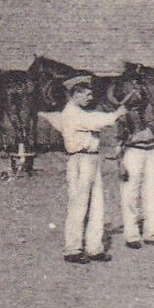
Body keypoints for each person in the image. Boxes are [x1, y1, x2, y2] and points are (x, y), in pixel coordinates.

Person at [53, 76, 127, 264]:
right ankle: (73, 249)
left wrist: (115, 114)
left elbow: (94, 117)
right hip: (79, 159)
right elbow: (95, 122)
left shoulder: (80, 111)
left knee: (96, 205)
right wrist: (117, 113)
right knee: (79, 206)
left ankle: (94, 248)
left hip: (92, 158)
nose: (90, 97)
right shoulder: (71, 113)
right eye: (86, 94)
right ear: (75, 94)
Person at [115, 105, 154, 250]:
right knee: (130, 193)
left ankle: (153, 234)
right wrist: (120, 163)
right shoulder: (125, 110)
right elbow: (119, 139)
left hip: (151, 150)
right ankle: (131, 236)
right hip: (133, 151)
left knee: (153, 193)